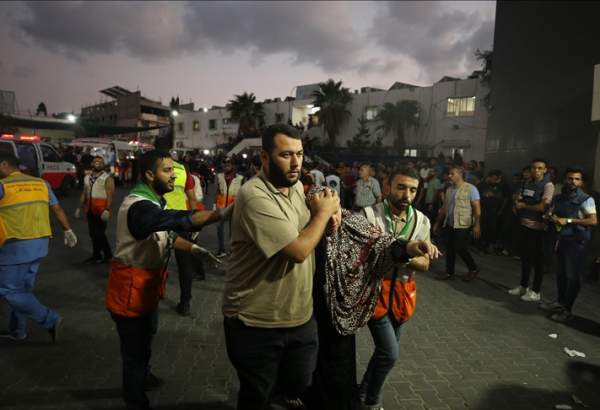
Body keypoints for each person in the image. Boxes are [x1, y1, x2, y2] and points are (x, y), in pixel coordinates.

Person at [223, 123, 340, 409]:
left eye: (299, 154)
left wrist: (322, 222)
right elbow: (298, 251)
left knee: (299, 382)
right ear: (264, 157)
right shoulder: (254, 195)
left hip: (300, 315)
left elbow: (303, 232)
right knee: (256, 396)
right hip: (256, 322)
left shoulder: (297, 186)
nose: (296, 163)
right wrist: (323, 214)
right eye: (286, 155)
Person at [105, 150, 223, 410]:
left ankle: (143, 376)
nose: (174, 176)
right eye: (167, 171)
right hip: (129, 292)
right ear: (149, 175)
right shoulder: (138, 206)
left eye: (174, 170)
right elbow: (177, 221)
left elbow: (167, 236)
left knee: (146, 339)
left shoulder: (156, 201)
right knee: (134, 354)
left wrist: (196, 251)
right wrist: (219, 215)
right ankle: (135, 398)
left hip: (146, 289)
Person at [359, 168, 432, 409]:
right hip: (374, 294)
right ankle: (372, 401)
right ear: (387, 186)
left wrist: (405, 256)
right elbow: (362, 258)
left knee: (384, 353)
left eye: (413, 190)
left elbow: (424, 264)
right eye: (401, 187)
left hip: (403, 296)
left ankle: (361, 395)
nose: (407, 195)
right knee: (390, 353)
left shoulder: (422, 221)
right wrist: (405, 252)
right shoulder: (369, 215)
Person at [0, 152, 77, 342]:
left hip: (14, 245)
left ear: (3, 164)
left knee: (8, 290)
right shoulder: (40, 183)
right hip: (40, 245)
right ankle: (18, 331)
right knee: (23, 290)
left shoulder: (3, 185)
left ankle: (50, 320)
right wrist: (68, 230)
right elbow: (57, 208)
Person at [540, 168, 596, 322]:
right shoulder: (559, 198)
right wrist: (549, 217)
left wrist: (569, 221)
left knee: (573, 278)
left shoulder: (586, 199)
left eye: (577, 179)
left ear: (582, 182)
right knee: (561, 274)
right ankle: (560, 302)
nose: (573, 182)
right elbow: (553, 214)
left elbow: (592, 221)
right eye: (570, 178)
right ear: (565, 179)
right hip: (562, 239)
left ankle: (567, 310)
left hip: (577, 242)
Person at [164, 150, 205, 316]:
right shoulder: (183, 170)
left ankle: (154, 294)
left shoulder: (156, 167)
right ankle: (185, 302)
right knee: (184, 265)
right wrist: (194, 223)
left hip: (160, 217)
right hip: (181, 220)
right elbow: (192, 198)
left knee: (157, 260)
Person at [509, 159, 554, 302]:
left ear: (545, 170)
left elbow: (542, 207)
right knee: (525, 259)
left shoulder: (548, 185)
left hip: (538, 228)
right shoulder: (526, 182)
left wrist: (523, 206)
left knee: (537, 261)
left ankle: (535, 291)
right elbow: (519, 197)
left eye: (540, 168)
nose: (537, 171)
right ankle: (523, 286)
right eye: (534, 168)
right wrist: (516, 202)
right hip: (524, 225)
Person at [433, 165, 481, 281]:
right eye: (449, 173)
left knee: (460, 247)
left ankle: (473, 268)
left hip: (463, 224)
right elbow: (444, 208)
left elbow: (477, 208)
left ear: (460, 174)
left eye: (452, 173)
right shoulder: (449, 190)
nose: (449, 176)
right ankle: (449, 272)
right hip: (450, 223)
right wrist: (437, 223)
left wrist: (477, 225)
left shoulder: (471, 189)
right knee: (450, 248)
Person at [75, 156, 114, 263]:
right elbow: (84, 192)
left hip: (101, 209)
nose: (98, 164)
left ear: (103, 165)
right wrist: (79, 207)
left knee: (99, 233)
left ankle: (108, 255)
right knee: (92, 233)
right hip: (90, 209)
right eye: (96, 162)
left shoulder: (107, 178)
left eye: (100, 162)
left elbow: (110, 194)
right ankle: (96, 255)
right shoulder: (87, 177)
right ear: (92, 163)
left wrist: (107, 209)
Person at [215, 157, 244, 258]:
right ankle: (221, 250)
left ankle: (233, 250)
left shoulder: (240, 179)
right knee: (219, 228)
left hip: (234, 208)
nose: (227, 164)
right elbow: (217, 192)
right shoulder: (219, 176)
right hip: (221, 208)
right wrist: (215, 206)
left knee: (233, 231)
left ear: (234, 165)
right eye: (225, 162)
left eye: (230, 163)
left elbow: (242, 195)